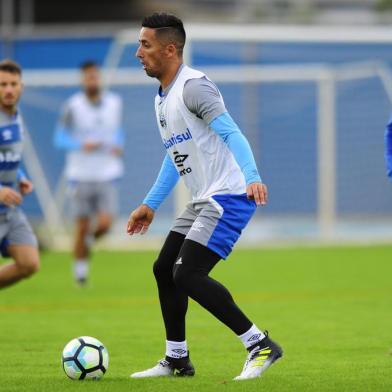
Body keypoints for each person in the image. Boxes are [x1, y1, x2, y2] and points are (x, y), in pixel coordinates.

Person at [127, 13, 283, 381]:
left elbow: (232, 133)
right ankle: (177, 359)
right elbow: (175, 156)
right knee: (165, 269)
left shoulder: (194, 87)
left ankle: (259, 344)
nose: (138, 52)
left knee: (187, 273)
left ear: (170, 49)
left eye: (145, 45)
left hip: (229, 196)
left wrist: (253, 176)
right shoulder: (162, 98)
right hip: (203, 199)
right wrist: (151, 204)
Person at [54, 61, 124, 286]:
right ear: (82, 80)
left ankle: (87, 242)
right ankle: (80, 273)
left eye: (95, 76)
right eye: (88, 77)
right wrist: (81, 144)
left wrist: (118, 144)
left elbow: (117, 131)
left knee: (105, 223)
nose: (92, 80)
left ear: (99, 78)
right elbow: (60, 138)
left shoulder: (114, 103)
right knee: (82, 225)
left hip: (107, 172)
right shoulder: (72, 106)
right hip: (80, 174)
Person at [0, 59, 40, 289]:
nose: (8, 89)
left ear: (21, 87)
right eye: (2, 84)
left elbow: (8, 157)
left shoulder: (16, 116)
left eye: (13, 84)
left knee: (29, 263)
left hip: (9, 210)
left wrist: (20, 177)